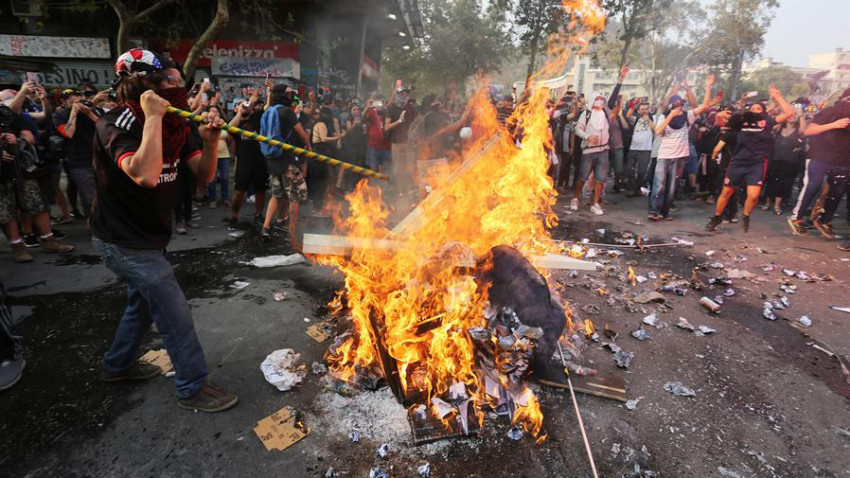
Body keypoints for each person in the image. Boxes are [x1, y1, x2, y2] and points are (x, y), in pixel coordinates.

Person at [90, 48, 237, 412]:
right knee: (174, 313)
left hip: (151, 236)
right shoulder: (115, 122)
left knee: (140, 306)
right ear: (143, 86)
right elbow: (145, 174)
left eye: (177, 84)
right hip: (121, 240)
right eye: (167, 83)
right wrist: (152, 118)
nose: (177, 90)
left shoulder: (175, 123)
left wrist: (208, 139)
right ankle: (191, 386)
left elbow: (202, 175)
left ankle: (116, 366)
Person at [705, 85, 795, 232]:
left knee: (753, 196)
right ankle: (717, 217)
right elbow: (723, 121)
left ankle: (746, 216)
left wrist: (778, 96)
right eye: (752, 108)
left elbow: (789, 113)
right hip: (738, 161)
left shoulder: (767, 121)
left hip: (757, 163)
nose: (755, 111)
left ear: (764, 112)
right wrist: (720, 115)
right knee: (726, 192)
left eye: (758, 109)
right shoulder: (741, 120)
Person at [1, 104, 75, 263]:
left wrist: (17, 140)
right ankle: (17, 246)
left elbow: (30, 137)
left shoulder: (10, 115)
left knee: (37, 205)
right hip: (2, 176)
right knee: (6, 212)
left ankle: (49, 240)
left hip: (21, 169)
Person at [650, 74, 716, 221]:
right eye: (676, 103)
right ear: (672, 105)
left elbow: (704, 106)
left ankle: (665, 212)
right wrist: (670, 116)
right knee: (659, 184)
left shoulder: (688, 116)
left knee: (672, 186)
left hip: (679, 157)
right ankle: (654, 210)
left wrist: (708, 86)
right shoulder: (664, 116)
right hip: (664, 155)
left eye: (681, 103)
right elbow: (658, 131)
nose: (679, 105)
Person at [788, 88, 850, 238]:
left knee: (838, 191)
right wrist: (834, 124)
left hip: (843, 159)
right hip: (820, 156)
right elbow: (808, 131)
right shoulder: (830, 112)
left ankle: (825, 220)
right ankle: (797, 217)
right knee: (813, 185)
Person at [260, 84, 311, 249]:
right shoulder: (287, 112)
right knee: (294, 196)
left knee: (276, 195)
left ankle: (266, 227)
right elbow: (301, 132)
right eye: (289, 94)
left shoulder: (268, 111)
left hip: (272, 159)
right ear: (284, 95)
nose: (291, 97)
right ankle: (291, 232)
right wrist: (308, 147)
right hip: (287, 161)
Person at [52, 87, 100, 219]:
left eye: (79, 100)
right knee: (90, 198)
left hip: (97, 159)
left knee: (105, 196)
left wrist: (89, 113)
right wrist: (74, 112)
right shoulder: (59, 115)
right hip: (78, 162)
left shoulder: (89, 111)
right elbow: (68, 133)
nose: (78, 104)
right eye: (73, 101)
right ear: (64, 102)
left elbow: (104, 128)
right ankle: (95, 229)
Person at [228, 93, 267, 229]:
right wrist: (240, 113)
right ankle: (234, 216)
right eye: (241, 105)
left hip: (260, 160)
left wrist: (253, 103)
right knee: (239, 191)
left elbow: (267, 107)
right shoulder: (237, 122)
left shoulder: (257, 117)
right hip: (244, 161)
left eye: (247, 105)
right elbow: (229, 128)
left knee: (261, 189)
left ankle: (258, 215)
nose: (245, 107)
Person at [762, 117, 806, 215]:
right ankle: (768, 202)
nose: (792, 117)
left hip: (790, 160)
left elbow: (804, 130)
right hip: (775, 158)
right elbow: (771, 126)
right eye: (790, 115)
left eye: (794, 116)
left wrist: (801, 115)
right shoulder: (778, 129)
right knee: (771, 181)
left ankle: (777, 205)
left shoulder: (798, 131)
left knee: (784, 182)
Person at [385, 85, 418, 198]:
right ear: (397, 95)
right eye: (402, 94)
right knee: (398, 170)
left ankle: (409, 190)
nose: (405, 96)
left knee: (410, 168)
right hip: (396, 144)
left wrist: (414, 137)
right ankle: (399, 192)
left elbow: (415, 124)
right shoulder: (391, 108)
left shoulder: (410, 108)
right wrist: (398, 121)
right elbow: (386, 127)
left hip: (408, 143)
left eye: (406, 94)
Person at [624, 101, 655, 196]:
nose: (645, 111)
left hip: (645, 149)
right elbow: (628, 115)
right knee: (630, 169)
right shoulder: (636, 119)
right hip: (633, 148)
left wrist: (648, 120)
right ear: (638, 111)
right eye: (642, 109)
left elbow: (656, 129)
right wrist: (633, 106)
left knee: (642, 171)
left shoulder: (653, 118)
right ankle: (634, 188)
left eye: (646, 109)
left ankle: (638, 189)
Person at [206, 105, 232, 209]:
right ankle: (212, 200)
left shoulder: (224, 124)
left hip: (224, 154)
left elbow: (229, 139)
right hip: (212, 155)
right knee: (211, 178)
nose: (214, 113)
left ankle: (225, 198)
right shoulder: (206, 124)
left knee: (224, 177)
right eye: (212, 111)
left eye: (216, 111)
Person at [364, 96, 392, 174]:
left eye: (382, 102)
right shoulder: (372, 112)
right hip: (373, 145)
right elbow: (363, 118)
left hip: (386, 145)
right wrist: (368, 107)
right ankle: (372, 185)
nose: (380, 104)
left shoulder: (388, 112)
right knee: (373, 168)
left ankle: (383, 185)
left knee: (385, 168)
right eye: (378, 102)